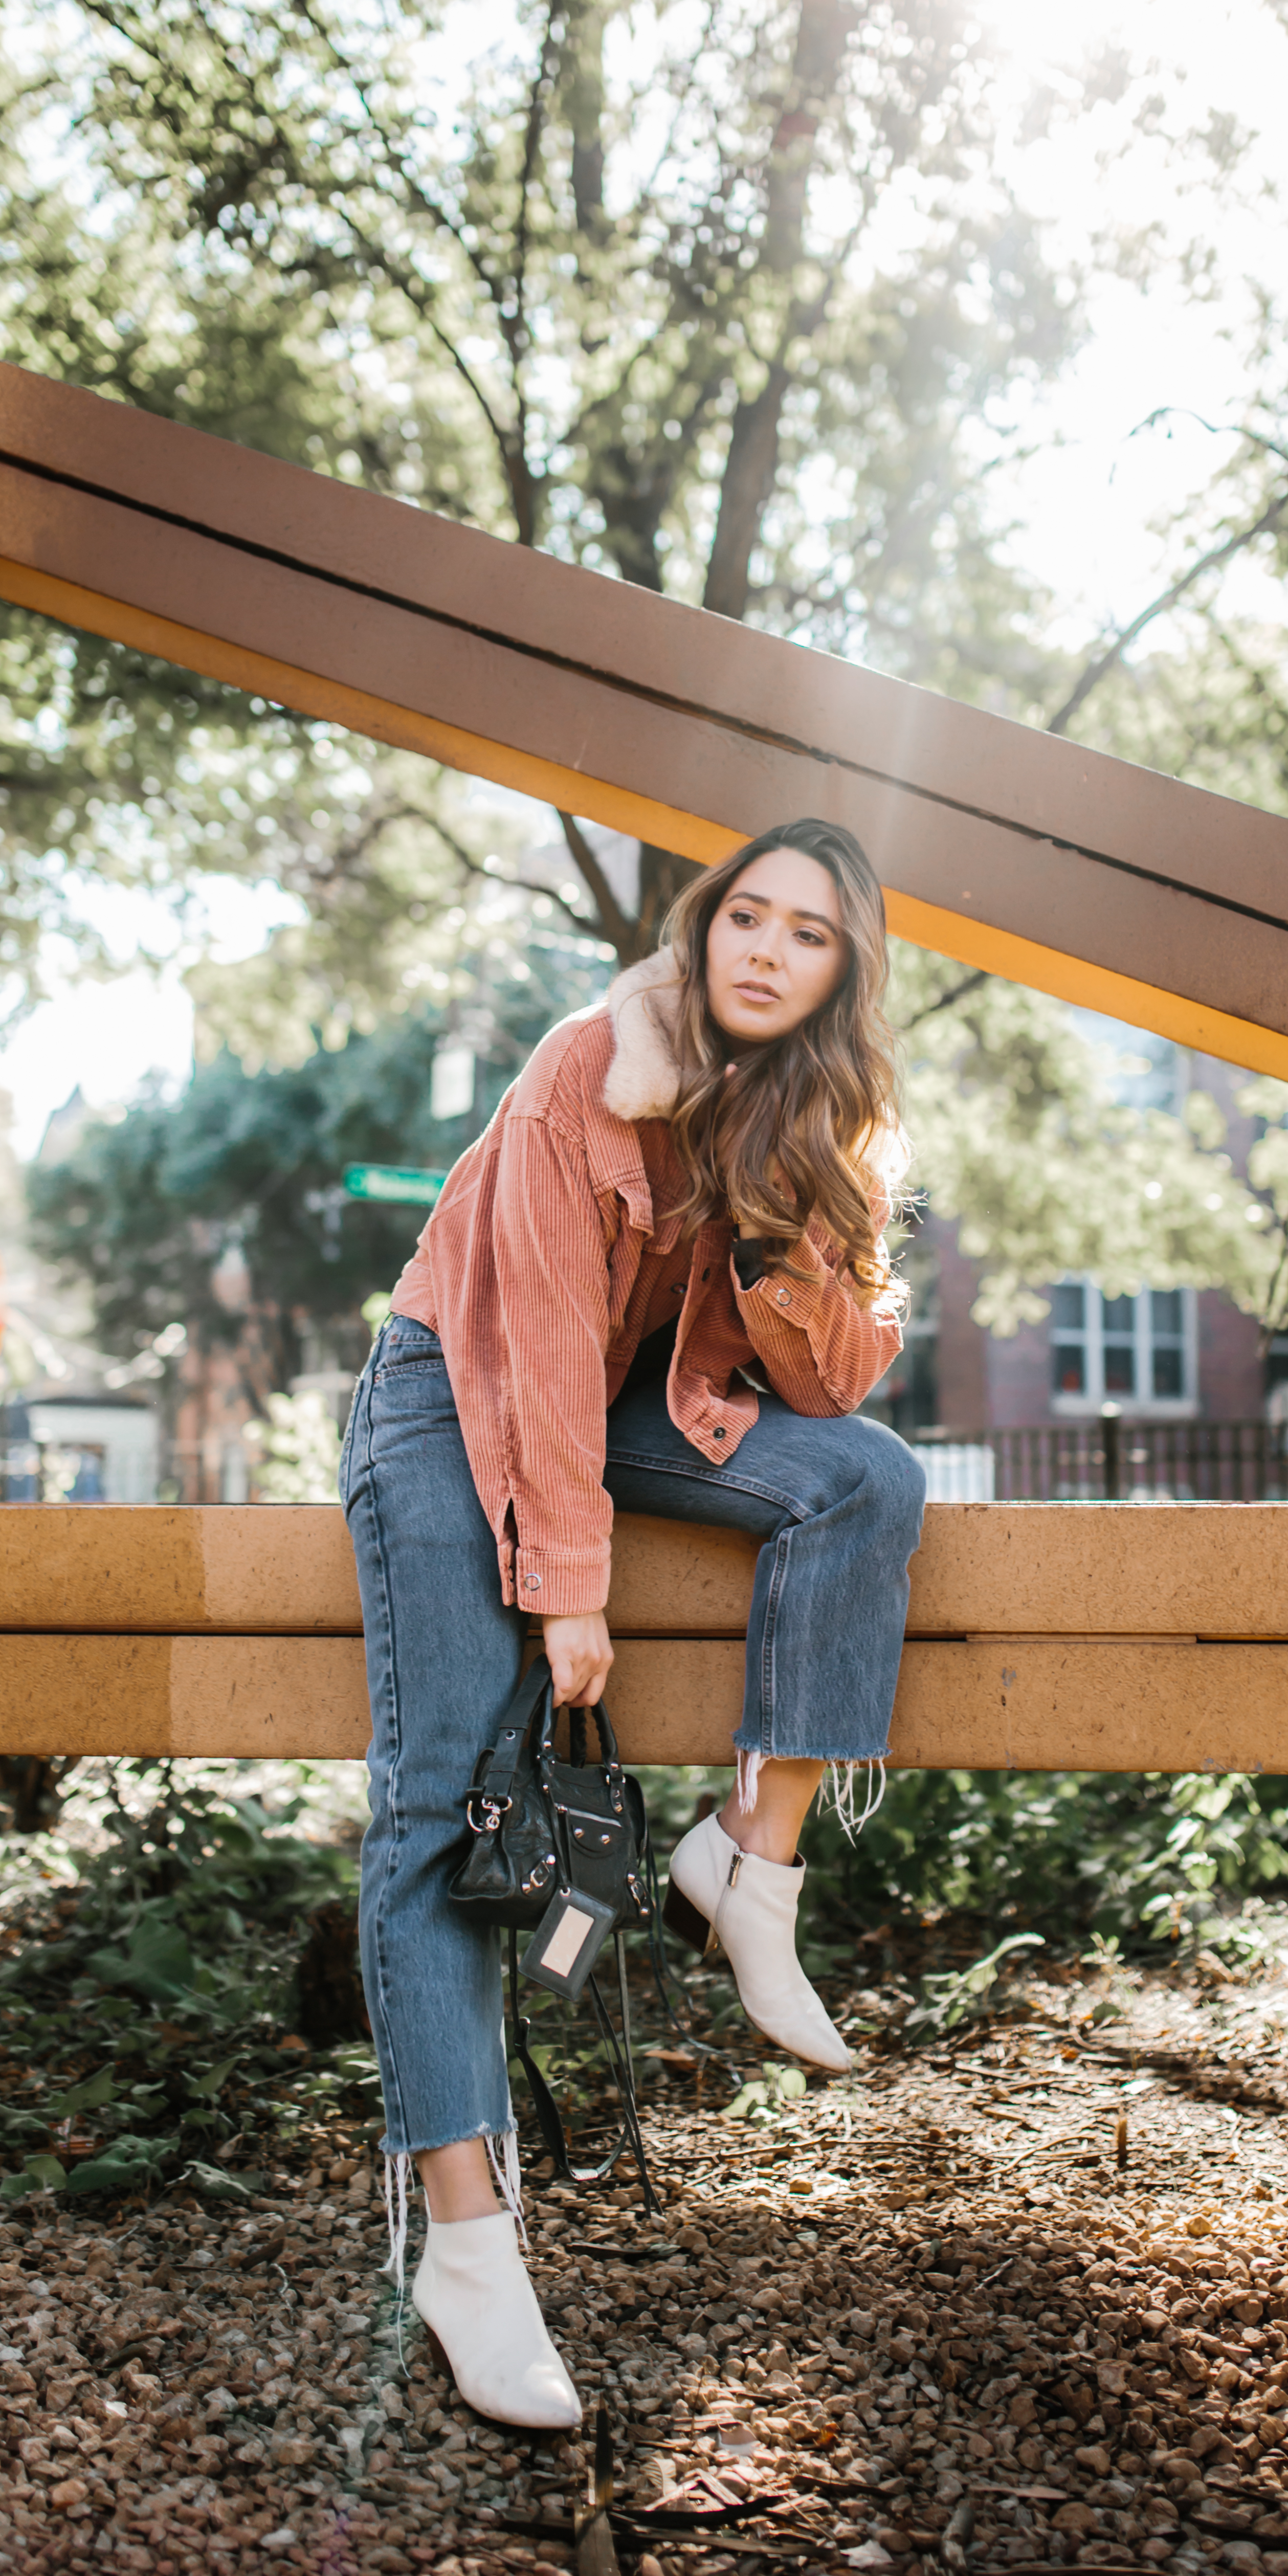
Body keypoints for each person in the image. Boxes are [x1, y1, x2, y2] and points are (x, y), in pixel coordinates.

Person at [340, 817, 926, 2429]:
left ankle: (750, 1860)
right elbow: (528, 1332)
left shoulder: (812, 1114)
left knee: (865, 1483)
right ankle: (465, 2244)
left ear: (841, 971)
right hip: (448, 1396)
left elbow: (828, 1390)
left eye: (808, 934)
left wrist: (772, 1233)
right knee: (436, 1800)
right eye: (746, 914)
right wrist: (568, 1583)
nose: (765, 949)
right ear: (704, 923)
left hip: (613, 1406)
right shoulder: (587, 1064)